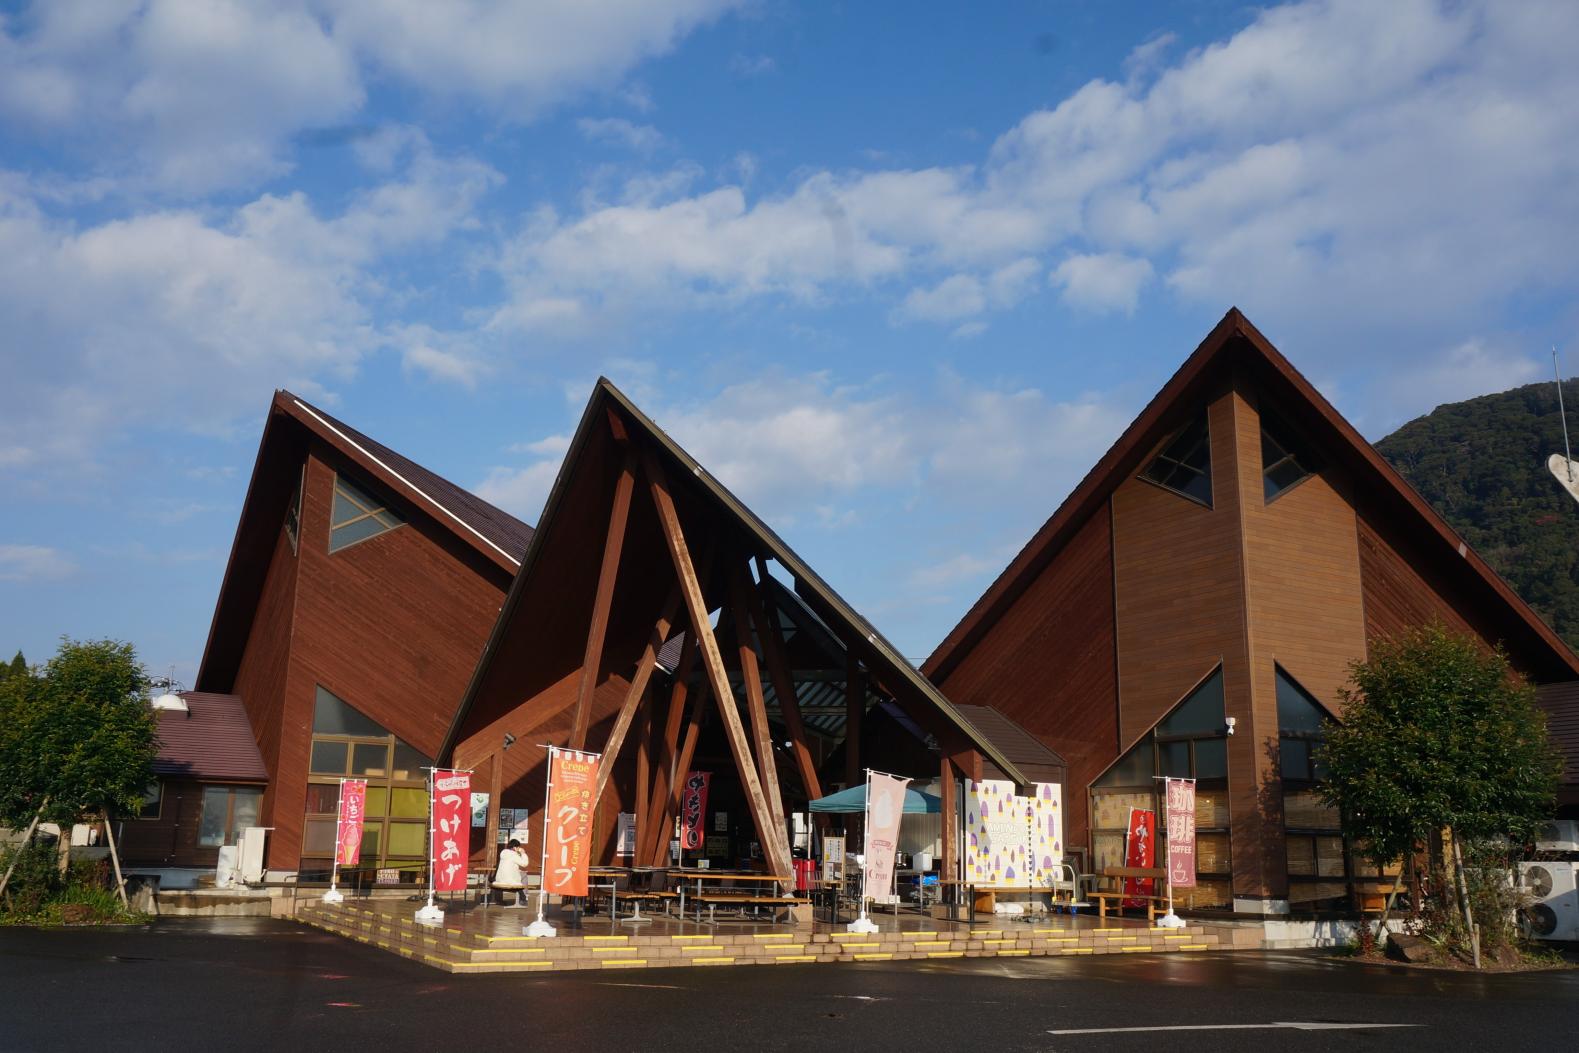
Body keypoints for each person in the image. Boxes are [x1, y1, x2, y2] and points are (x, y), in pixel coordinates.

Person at [493, 839, 529, 906]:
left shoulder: (503, 853)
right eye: (518, 847)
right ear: (515, 847)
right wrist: (523, 853)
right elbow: (524, 864)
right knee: (524, 876)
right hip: (510, 881)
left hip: (499, 880)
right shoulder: (514, 855)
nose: (518, 849)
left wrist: (517, 870)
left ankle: (498, 900)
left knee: (505, 878)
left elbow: (509, 865)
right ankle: (523, 899)